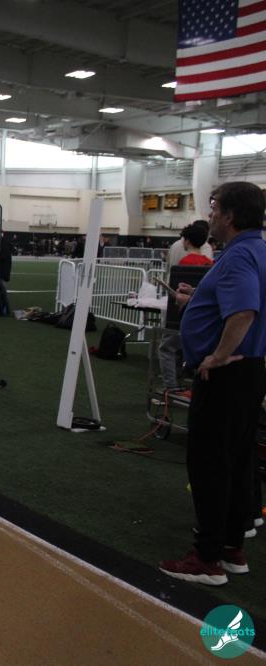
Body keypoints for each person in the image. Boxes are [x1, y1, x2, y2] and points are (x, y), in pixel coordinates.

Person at [158, 181, 266, 586]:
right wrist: (198, 300)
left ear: (231, 215)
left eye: (215, 207)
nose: (210, 215)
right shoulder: (257, 250)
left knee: (209, 464)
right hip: (248, 371)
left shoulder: (238, 256)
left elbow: (244, 311)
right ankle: (231, 549)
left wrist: (217, 356)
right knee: (237, 460)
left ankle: (207, 559)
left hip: (225, 375)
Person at [158, 221, 214, 390]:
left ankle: (170, 388)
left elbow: (179, 290)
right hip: (203, 319)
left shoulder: (184, 261)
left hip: (182, 315)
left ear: (187, 240)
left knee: (166, 348)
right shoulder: (210, 263)